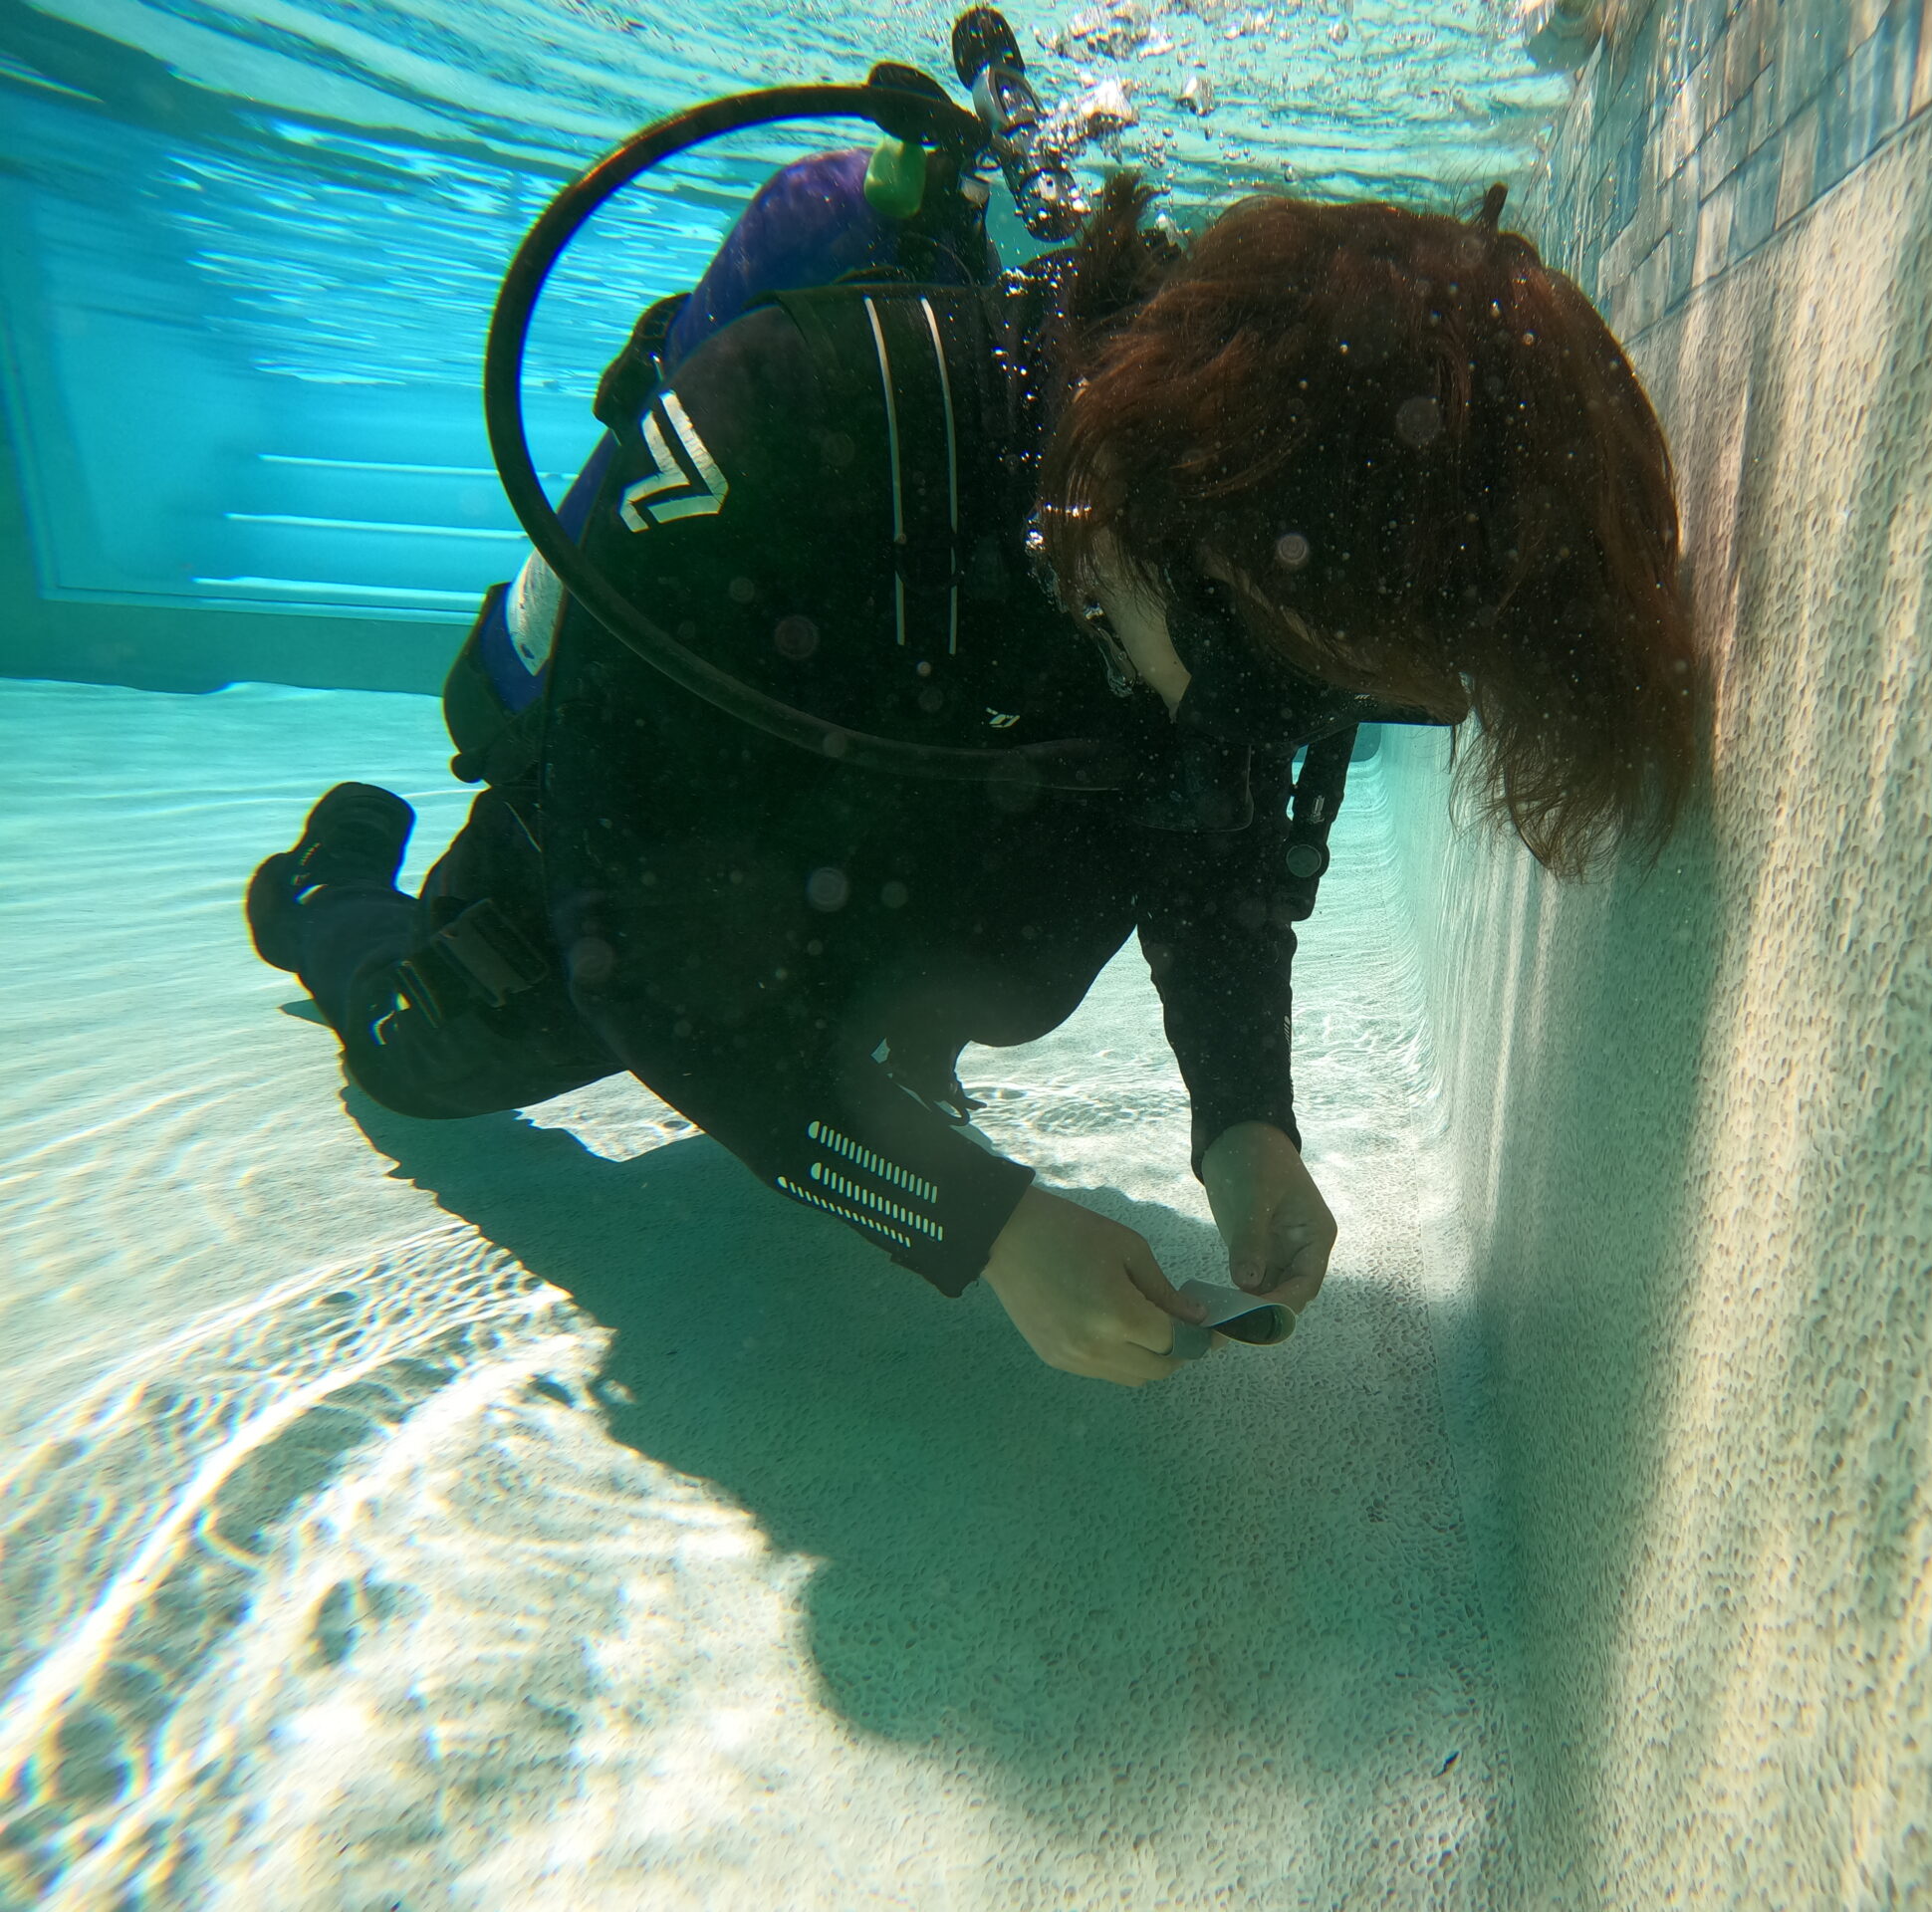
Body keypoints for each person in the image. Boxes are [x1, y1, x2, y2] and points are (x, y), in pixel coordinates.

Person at [244, 167, 1705, 1389]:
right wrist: (979, 1224)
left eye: (1348, 705)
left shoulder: (1260, 579)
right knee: (423, 1057)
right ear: (1158, 501)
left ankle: (845, 1043)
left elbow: (1216, 846)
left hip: (878, 869)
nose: (1272, 735)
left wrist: (1245, 1123)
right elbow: (638, 957)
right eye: (1273, 689)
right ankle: (329, 887)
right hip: (646, 853)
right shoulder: (792, 423)